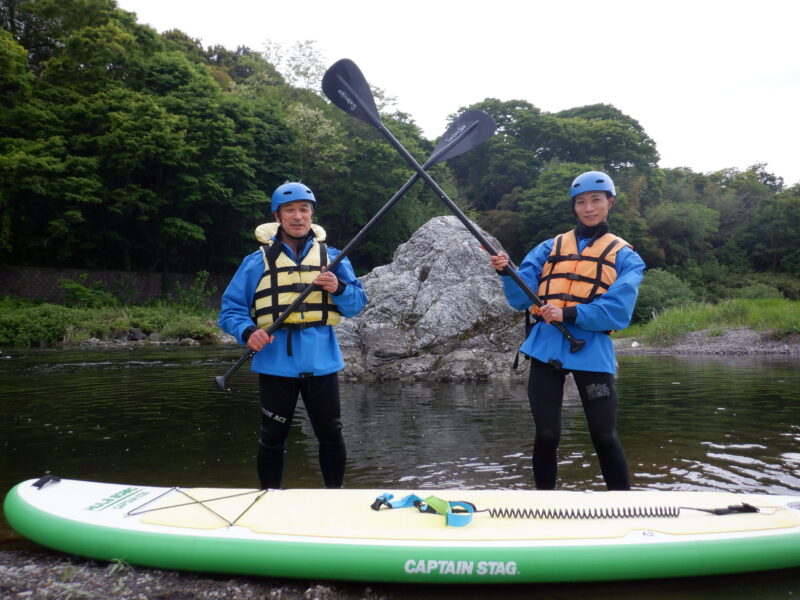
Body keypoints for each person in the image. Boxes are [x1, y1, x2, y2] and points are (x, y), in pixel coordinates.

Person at [488, 171, 644, 490]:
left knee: (604, 436)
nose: (589, 208)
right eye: (582, 202)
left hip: (592, 350)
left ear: (609, 203)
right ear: (574, 207)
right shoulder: (550, 246)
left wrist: (569, 312)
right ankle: (546, 503)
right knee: (546, 435)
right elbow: (521, 297)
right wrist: (507, 273)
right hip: (546, 348)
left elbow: (618, 310)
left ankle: (625, 504)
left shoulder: (626, 256)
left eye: (596, 201)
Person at [218, 182, 368, 489]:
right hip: (275, 364)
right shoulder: (255, 262)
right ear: (277, 216)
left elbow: (357, 305)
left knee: (331, 434)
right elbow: (230, 310)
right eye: (290, 210)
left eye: (304, 209)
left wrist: (337, 287)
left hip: (322, 361)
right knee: (272, 437)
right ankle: (270, 496)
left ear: (312, 214)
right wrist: (248, 331)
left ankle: (334, 496)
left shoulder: (335, 258)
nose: (297, 216)